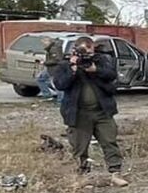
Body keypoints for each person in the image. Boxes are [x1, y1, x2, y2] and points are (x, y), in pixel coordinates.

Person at [50, 35, 123, 176]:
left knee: (109, 141)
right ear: (75, 50)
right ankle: (82, 173)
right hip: (78, 113)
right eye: (84, 52)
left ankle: (115, 172)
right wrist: (73, 69)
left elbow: (112, 75)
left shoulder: (101, 61)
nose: (87, 56)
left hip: (102, 111)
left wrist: (96, 70)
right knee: (79, 146)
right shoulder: (65, 65)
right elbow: (60, 85)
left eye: (89, 52)